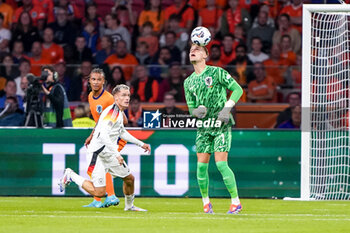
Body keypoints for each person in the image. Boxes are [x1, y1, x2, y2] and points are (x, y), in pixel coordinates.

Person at [59, 84, 150, 212]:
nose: (127, 98)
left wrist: (141, 144)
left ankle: (129, 207)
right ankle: (70, 175)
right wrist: (117, 155)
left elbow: (122, 132)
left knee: (129, 179)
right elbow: (103, 135)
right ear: (116, 98)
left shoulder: (118, 112)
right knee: (99, 192)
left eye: (128, 95)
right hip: (98, 154)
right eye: (123, 95)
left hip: (108, 152)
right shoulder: (111, 113)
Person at [183, 43, 243, 214]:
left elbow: (237, 90)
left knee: (221, 164)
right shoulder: (188, 82)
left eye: (197, 50)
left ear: (205, 56)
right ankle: (206, 203)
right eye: (191, 50)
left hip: (221, 124)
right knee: (201, 167)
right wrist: (197, 112)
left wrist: (227, 108)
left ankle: (236, 202)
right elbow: (190, 109)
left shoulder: (217, 72)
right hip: (203, 127)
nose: (192, 52)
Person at [83, 68, 128, 208]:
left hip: (115, 138)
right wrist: (92, 135)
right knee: (99, 166)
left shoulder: (108, 99)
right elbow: (99, 120)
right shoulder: (91, 96)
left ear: (104, 82)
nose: (96, 82)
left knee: (102, 164)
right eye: (93, 79)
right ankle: (99, 199)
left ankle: (111, 196)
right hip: (102, 137)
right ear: (89, 81)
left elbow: (124, 120)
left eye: (99, 80)